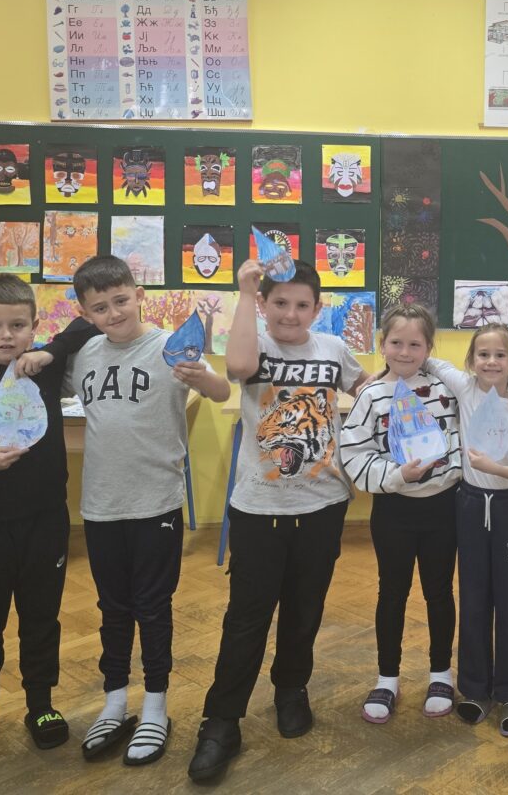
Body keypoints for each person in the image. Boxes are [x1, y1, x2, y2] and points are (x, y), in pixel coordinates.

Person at [20, 255, 229, 768]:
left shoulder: (169, 346)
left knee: (153, 608)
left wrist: (200, 377)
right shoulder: (85, 354)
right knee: (112, 609)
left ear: (138, 295)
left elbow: (222, 390)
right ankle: (115, 702)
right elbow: (35, 382)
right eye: (100, 307)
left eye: (120, 300)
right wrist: (2, 365)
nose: (113, 313)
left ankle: (156, 706)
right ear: (85, 313)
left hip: (156, 503)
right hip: (101, 505)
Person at [188, 258, 369, 784]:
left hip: (323, 503)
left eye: (302, 304)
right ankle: (222, 720)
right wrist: (245, 292)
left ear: (317, 308)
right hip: (259, 507)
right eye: (280, 302)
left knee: (304, 608)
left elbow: (372, 389)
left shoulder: (332, 348)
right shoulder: (256, 343)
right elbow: (239, 368)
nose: (291, 313)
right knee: (246, 617)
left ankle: (291, 688)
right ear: (265, 304)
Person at [0, 275, 97, 770]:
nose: (6, 335)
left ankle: (41, 705)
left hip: (45, 523)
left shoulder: (43, 372)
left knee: (41, 618)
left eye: (17, 325)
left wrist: (48, 352)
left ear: (33, 326)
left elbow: (87, 324)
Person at [339, 304, 462, 726]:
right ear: (382, 344)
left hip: (443, 508)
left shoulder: (446, 389)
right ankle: (387, 678)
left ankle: (441, 674)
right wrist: (396, 475)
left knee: (439, 592)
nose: (405, 352)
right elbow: (354, 453)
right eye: (396, 343)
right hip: (393, 511)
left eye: (415, 344)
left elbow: (464, 433)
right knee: (391, 593)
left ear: (429, 348)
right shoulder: (371, 395)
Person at [426, 326, 508, 736]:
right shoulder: (464, 387)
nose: (491, 361)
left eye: (500, 355)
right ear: (471, 361)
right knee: (473, 600)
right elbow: (427, 359)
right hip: (471, 507)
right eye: (483, 354)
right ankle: (475, 689)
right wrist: (377, 375)